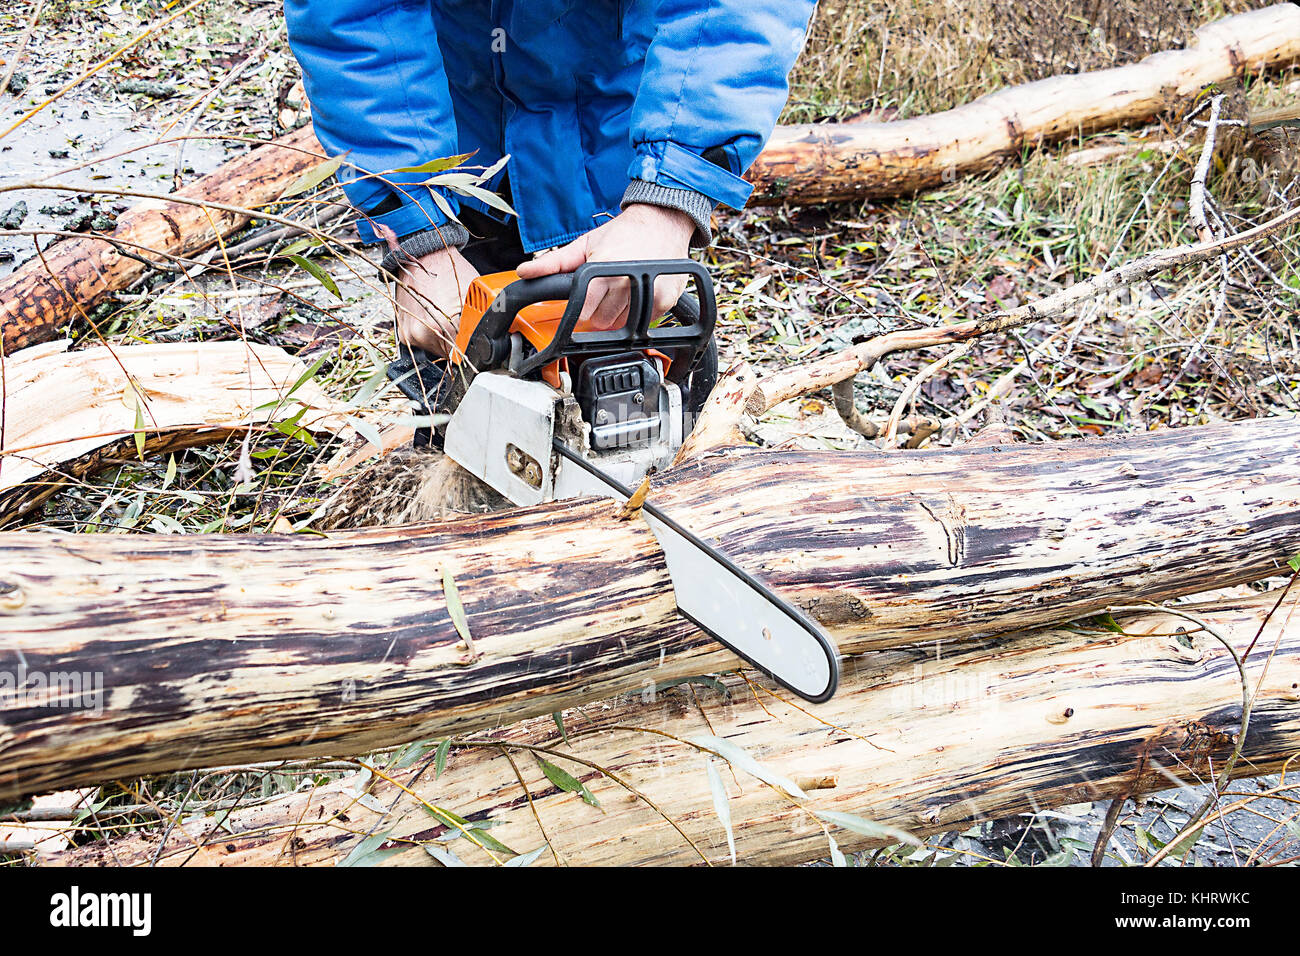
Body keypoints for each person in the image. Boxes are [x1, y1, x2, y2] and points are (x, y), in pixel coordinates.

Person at [284, 1, 816, 355]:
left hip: (621, 156)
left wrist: (670, 194)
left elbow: (733, 12)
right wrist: (415, 229)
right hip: (457, 158)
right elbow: (354, 16)